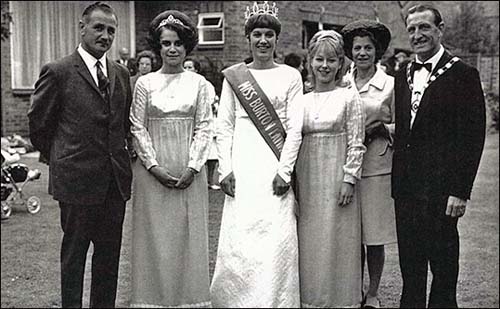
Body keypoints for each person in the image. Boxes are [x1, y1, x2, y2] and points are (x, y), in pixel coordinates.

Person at [28, 2, 132, 307]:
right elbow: (39, 126)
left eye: (111, 30)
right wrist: (63, 157)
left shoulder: (121, 74)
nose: (105, 35)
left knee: (108, 260)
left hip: (114, 184)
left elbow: (121, 124)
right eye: (98, 28)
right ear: (82, 27)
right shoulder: (58, 71)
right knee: (73, 258)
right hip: (76, 184)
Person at [392, 4, 486, 308]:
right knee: (411, 269)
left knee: (443, 269)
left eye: (424, 28)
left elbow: (472, 137)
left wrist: (460, 191)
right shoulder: (402, 72)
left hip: (442, 191)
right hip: (407, 189)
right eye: (412, 29)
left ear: (439, 29)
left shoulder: (463, 74)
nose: (417, 35)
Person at [210, 2, 303, 307]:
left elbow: (294, 129)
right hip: (243, 166)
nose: (263, 40)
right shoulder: (234, 77)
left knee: (276, 238)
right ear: (248, 38)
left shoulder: (291, 76)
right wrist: (225, 169)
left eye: (269, 35)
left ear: (277, 39)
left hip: (275, 166)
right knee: (242, 239)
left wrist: (285, 171)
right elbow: (223, 127)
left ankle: (276, 301)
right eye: (257, 34)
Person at [273, 30, 366, 308]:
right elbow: (293, 139)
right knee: (310, 240)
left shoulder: (349, 97)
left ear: (341, 64)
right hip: (309, 178)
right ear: (309, 62)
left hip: (337, 177)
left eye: (332, 60)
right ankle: (312, 299)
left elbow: (356, 142)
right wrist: (286, 173)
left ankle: (342, 300)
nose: (324, 66)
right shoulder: (301, 99)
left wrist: (349, 179)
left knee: (339, 238)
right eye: (318, 59)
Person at [129, 10, 213, 308]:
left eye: (178, 43)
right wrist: (153, 166)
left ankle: (189, 300)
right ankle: (152, 300)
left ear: (187, 45)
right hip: (154, 171)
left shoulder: (200, 84)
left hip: (189, 169)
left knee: (187, 238)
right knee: (156, 238)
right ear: (158, 46)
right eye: (166, 43)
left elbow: (205, 126)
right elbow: (137, 126)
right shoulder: (145, 83)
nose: (173, 49)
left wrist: (193, 166)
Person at [341, 20, 396, 308]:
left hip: (376, 168)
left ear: (378, 52)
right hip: (344, 168)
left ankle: (372, 293)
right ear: (350, 52)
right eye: (357, 48)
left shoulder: (390, 84)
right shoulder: (341, 82)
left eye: (368, 48)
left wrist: (382, 129)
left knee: (373, 236)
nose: (362, 53)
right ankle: (352, 289)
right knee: (350, 235)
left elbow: (407, 127)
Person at [183, 57, 220, 190]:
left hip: (204, 120)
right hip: (187, 123)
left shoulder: (205, 84)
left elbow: (209, 102)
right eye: (185, 67)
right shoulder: (180, 84)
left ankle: (210, 181)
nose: (187, 70)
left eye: (190, 67)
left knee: (211, 154)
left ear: (196, 69)